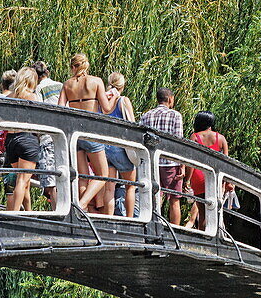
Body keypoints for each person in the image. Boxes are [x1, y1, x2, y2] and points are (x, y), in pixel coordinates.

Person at [59, 53, 112, 211]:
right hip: (91, 132)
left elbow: (60, 108)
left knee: (83, 177)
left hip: (75, 134)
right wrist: (113, 96)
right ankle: (82, 205)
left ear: (73, 67)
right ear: (86, 65)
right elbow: (107, 109)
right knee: (103, 175)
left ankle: (84, 212)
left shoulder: (67, 84)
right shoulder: (96, 81)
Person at [139, 88, 185, 224]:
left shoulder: (146, 115)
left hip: (151, 163)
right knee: (174, 200)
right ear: (170, 99)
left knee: (155, 197)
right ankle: (174, 233)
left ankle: (153, 225)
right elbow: (178, 141)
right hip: (171, 164)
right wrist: (182, 165)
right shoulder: (176, 115)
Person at [3, 67, 42, 211]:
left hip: (11, 140)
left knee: (23, 181)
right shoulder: (31, 97)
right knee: (22, 180)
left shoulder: (9, 97)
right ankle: (15, 215)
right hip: (27, 138)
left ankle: (29, 212)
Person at [101, 72, 138, 217]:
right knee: (130, 186)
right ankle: (130, 220)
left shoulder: (102, 100)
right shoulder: (123, 100)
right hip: (120, 148)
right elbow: (132, 124)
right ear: (122, 85)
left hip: (104, 148)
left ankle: (109, 220)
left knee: (109, 188)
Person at [185, 111, 228, 229]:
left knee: (202, 212)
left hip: (198, 176)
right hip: (214, 177)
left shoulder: (195, 137)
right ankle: (213, 239)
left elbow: (190, 162)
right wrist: (224, 183)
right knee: (214, 212)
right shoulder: (221, 138)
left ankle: (203, 240)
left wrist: (187, 180)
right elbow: (226, 163)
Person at [32, 61, 62, 204]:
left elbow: (39, 115)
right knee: (63, 177)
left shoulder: (38, 89)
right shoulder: (60, 85)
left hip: (47, 137)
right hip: (62, 137)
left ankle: (57, 213)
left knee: (51, 182)